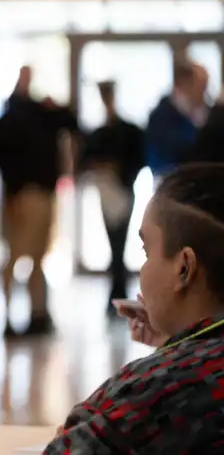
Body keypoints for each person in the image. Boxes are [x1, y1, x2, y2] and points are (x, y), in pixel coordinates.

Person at [47, 163, 224, 453]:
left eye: (146, 251)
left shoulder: (154, 391)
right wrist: (176, 345)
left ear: (184, 268)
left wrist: (169, 362)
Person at [0, 66, 78, 335]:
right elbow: (6, 158)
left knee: (38, 257)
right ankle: (9, 316)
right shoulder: (13, 116)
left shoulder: (43, 113)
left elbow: (71, 122)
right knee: (18, 257)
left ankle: (38, 313)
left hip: (43, 192)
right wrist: (12, 194)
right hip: (25, 194)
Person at [79, 80, 146, 308]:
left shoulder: (128, 131)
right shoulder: (98, 133)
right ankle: (116, 291)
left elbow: (138, 159)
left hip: (123, 190)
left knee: (120, 241)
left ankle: (118, 291)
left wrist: (118, 169)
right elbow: (85, 161)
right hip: (106, 192)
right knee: (112, 242)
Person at [146, 59, 209, 178]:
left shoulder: (204, 114)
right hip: (172, 182)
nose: (203, 93)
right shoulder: (161, 118)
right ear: (183, 84)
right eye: (200, 86)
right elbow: (159, 160)